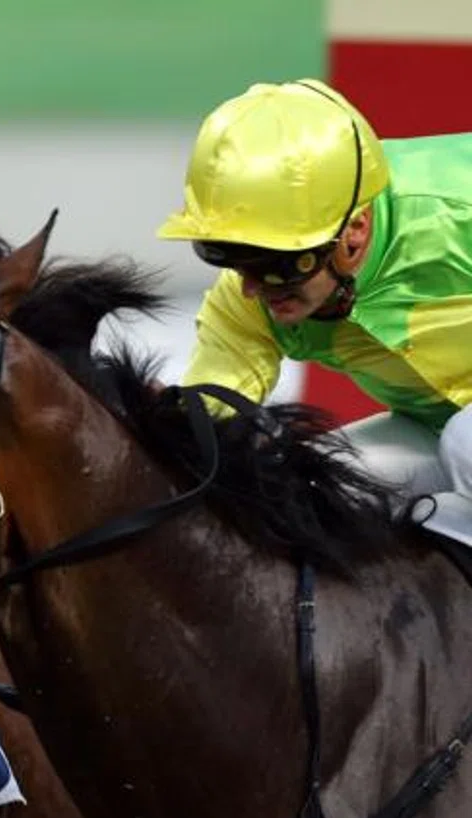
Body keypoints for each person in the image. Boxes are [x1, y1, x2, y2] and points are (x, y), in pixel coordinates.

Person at [156, 78, 472, 528]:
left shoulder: (457, 210)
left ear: (354, 232)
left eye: (274, 265)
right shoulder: (246, 302)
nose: (251, 289)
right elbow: (212, 420)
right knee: (314, 489)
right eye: (232, 259)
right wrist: (164, 426)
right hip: (434, 428)